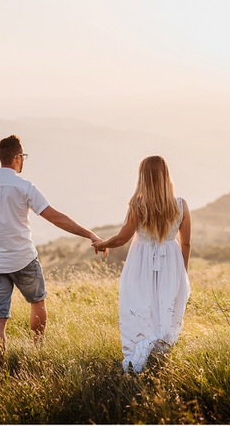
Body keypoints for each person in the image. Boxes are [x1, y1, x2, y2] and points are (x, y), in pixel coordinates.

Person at [0, 134, 103, 362]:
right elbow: (55, 218)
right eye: (23, 156)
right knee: (37, 302)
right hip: (24, 260)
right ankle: (37, 348)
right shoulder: (25, 187)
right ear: (16, 158)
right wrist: (89, 234)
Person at [93, 155, 191, 374]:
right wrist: (181, 272)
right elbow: (186, 244)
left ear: (143, 177)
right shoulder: (180, 205)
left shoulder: (138, 204)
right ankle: (159, 354)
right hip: (171, 262)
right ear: (166, 175)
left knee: (139, 304)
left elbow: (121, 238)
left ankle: (138, 355)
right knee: (164, 304)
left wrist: (102, 243)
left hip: (141, 262)